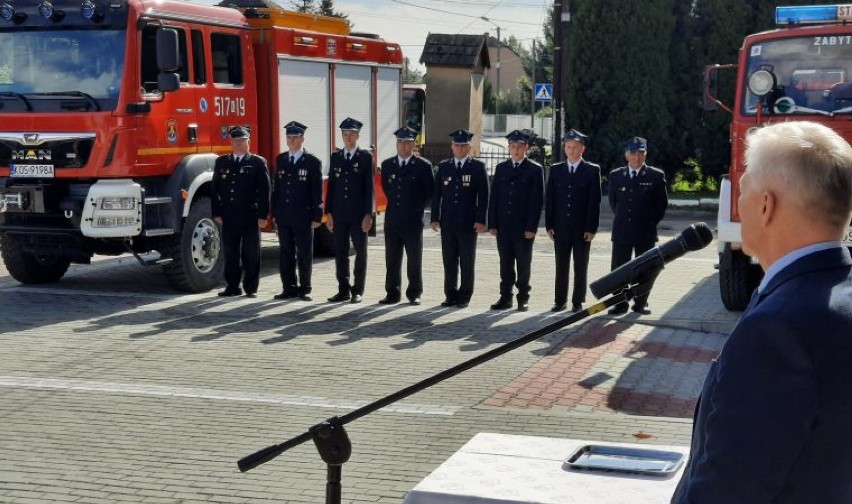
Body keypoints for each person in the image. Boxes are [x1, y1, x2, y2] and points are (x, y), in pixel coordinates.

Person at [672, 121, 852, 504]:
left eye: (744, 190)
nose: (738, 204)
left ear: (766, 205)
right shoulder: (832, 297)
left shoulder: (776, 331)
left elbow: (727, 489)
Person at [606, 136, 667, 315]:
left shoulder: (656, 176)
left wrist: (648, 222)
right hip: (622, 231)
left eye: (641, 153)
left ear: (645, 154)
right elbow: (614, 203)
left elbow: (660, 206)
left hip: (645, 231)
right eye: (633, 153)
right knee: (619, 269)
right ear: (626, 155)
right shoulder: (616, 176)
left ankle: (641, 303)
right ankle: (619, 303)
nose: (637, 157)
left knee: (646, 269)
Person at [430, 129, 489, 308]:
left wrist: (481, 220)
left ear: (469, 147)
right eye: (457, 145)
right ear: (452, 147)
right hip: (448, 221)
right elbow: (437, 194)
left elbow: (484, 195)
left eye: (463, 145)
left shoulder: (477, 168)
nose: (460, 148)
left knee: (466, 260)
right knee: (449, 259)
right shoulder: (445, 166)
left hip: (468, 222)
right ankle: (450, 294)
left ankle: (464, 295)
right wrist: (434, 217)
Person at [545, 129, 602, 312]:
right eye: (568, 147)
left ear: (582, 149)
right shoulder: (556, 170)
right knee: (561, 266)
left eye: (574, 147)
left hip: (581, 228)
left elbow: (594, 202)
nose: (570, 150)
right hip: (561, 227)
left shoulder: (592, 171)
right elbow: (551, 200)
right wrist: (549, 224)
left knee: (580, 266)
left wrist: (591, 228)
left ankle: (577, 301)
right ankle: (560, 300)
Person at [487, 130, 545, 312]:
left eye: (520, 146)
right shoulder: (502, 168)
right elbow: (494, 197)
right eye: (513, 146)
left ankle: (523, 298)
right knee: (505, 264)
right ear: (509, 148)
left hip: (523, 227)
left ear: (526, 147)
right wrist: (493, 223)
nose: (516, 150)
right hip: (504, 225)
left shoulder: (535, 169)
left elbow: (537, 201)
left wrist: (531, 227)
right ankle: (505, 297)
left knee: (523, 263)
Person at [211, 126, 271, 298]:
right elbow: (215, 189)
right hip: (229, 216)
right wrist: (216, 212)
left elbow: (265, 190)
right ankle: (232, 286)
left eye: (242, 141)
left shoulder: (258, 163)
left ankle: (251, 288)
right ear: (230, 142)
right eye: (235, 141)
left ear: (248, 142)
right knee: (230, 253)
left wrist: (263, 215)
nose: (238, 144)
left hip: (250, 216)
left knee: (251, 253)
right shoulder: (222, 162)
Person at [379, 127, 435, 305]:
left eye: (407, 142)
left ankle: (414, 292)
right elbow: (387, 190)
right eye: (400, 142)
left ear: (413, 144)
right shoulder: (388, 165)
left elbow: (429, 193)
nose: (403, 145)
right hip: (393, 219)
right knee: (392, 259)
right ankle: (392, 292)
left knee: (414, 259)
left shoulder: (422, 166)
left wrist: (416, 208)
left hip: (412, 220)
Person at [271, 121, 323, 302]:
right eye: (289, 137)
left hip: (304, 216)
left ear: (302, 139)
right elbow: (277, 189)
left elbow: (317, 191)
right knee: (285, 253)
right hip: (284, 215)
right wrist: (274, 214)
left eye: (295, 137)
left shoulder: (312, 162)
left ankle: (305, 288)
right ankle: (288, 287)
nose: (292, 140)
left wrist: (317, 215)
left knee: (304, 253)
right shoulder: (281, 159)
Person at [325, 117, 374, 304]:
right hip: (339, 214)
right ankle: (343, 289)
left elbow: (368, 188)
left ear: (357, 136)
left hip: (358, 215)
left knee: (360, 252)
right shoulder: (336, 157)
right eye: (345, 134)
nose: (348, 138)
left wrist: (368, 214)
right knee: (341, 252)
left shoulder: (365, 157)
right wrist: (328, 213)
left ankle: (358, 290)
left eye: (351, 134)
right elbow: (332, 187)